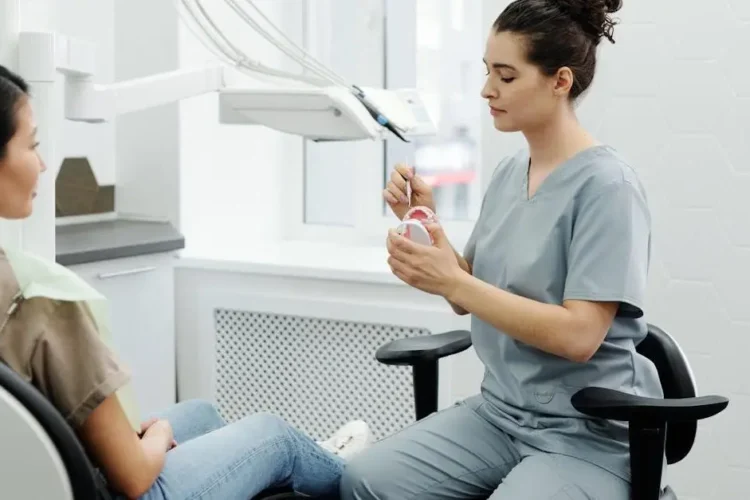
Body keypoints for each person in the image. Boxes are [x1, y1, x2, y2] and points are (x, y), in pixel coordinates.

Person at [0, 64, 373, 500]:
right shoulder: (42, 299)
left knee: (202, 414)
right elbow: (136, 478)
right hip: (104, 489)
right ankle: (346, 474)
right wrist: (155, 435)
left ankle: (309, 463)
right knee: (276, 438)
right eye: (33, 145)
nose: (43, 164)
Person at [342, 0, 665, 499]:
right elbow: (467, 293)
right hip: (500, 414)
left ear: (560, 81)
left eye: (506, 76)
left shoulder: (608, 186)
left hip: (586, 432)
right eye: (487, 71)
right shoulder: (509, 173)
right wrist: (427, 231)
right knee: (365, 480)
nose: (487, 90)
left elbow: (580, 336)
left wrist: (454, 280)